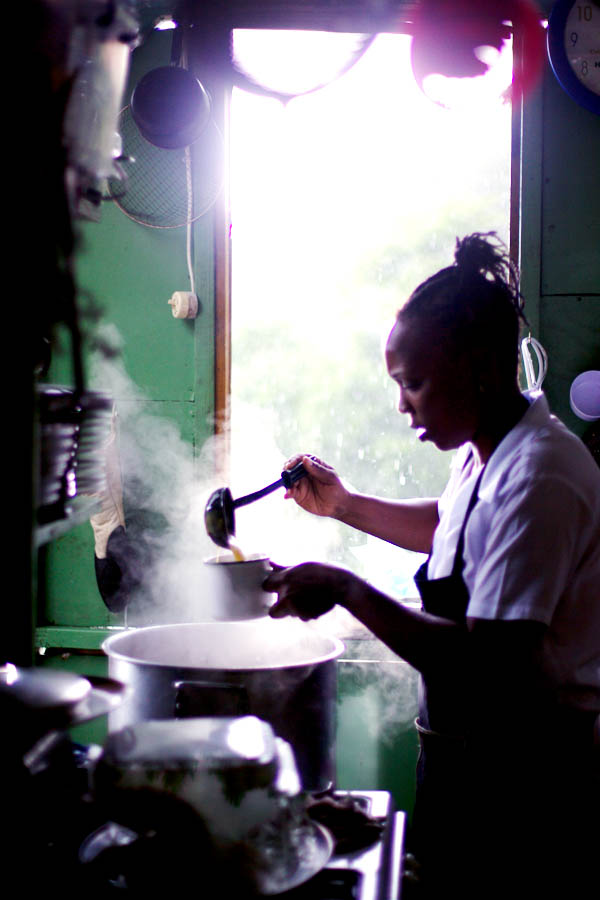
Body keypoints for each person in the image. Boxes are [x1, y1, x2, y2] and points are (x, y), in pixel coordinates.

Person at [263, 233, 600, 899]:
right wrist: (344, 505)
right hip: (466, 757)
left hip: (528, 782)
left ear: (478, 367)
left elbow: (489, 662)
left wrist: (345, 588)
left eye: (413, 383)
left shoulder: (541, 475)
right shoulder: (489, 452)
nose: (402, 405)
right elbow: (451, 527)